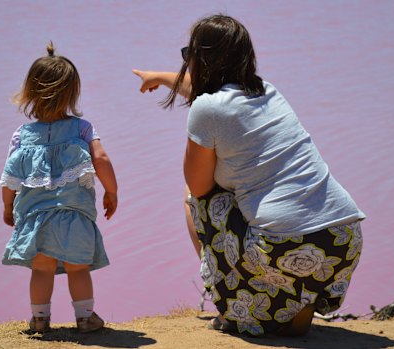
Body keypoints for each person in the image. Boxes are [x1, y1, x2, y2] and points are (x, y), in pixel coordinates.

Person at [133, 14, 365, 336]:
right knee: (261, 210)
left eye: (190, 55)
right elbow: (208, 93)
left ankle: (234, 306)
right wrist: (159, 76)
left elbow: (200, 186)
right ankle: (297, 304)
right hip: (341, 241)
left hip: (284, 246)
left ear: (203, 60)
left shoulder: (207, 109)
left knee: (195, 197)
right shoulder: (268, 91)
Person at [0, 42, 118, 334]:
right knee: (78, 268)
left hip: (36, 217)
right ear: (72, 92)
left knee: (42, 269)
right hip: (74, 215)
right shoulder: (83, 128)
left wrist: (7, 205)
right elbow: (101, 158)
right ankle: (85, 318)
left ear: (30, 92)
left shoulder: (22, 135)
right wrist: (111, 191)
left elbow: (9, 176)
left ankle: (40, 319)